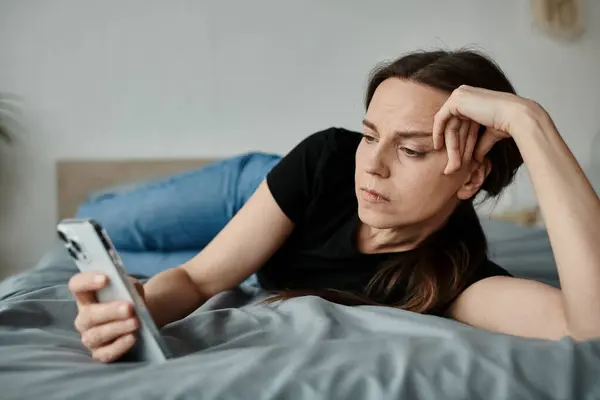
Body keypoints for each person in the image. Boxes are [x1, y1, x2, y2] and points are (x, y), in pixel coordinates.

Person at [68, 49, 600, 363]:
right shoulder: (331, 160)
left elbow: (590, 328)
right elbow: (199, 280)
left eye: (412, 149)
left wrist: (530, 122)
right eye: (370, 136)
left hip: (275, 229)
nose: (373, 166)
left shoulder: (460, 281)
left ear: (472, 176)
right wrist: (138, 309)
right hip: (268, 190)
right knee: (107, 218)